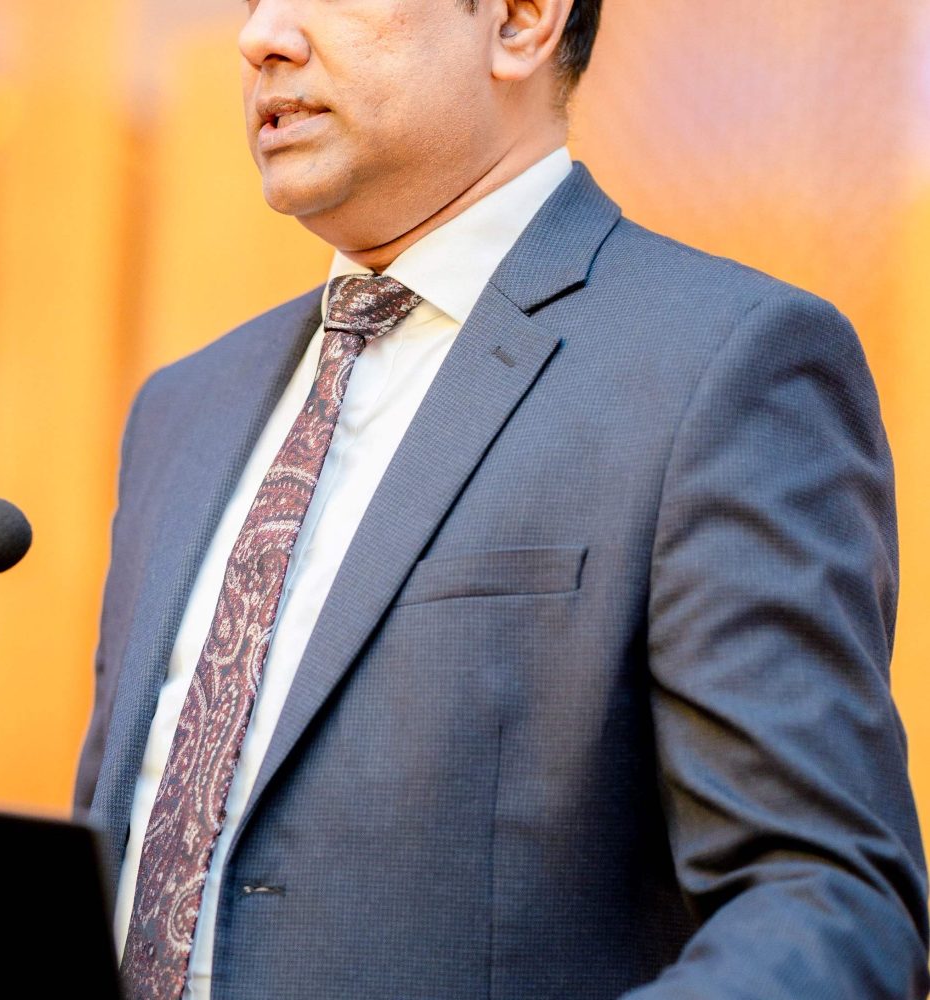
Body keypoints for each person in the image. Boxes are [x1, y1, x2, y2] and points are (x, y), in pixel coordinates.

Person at [74, 0, 929, 997]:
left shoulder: (723, 366)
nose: (261, 35)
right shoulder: (183, 409)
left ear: (520, 22)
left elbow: (829, 906)